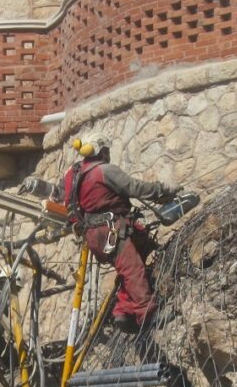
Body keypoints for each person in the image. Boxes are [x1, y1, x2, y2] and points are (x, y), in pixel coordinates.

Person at [59, 132, 181, 332]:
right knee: (132, 268)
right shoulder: (104, 171)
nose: (108, 154)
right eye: (106, 150)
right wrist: (163, 189)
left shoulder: (74, 174)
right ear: (101, 151)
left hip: (93, 234)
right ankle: (148, 313)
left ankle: (123, 311)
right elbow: (134, 187)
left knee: (141, 249)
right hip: (110, 230)